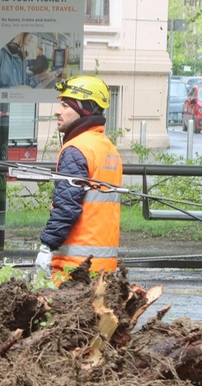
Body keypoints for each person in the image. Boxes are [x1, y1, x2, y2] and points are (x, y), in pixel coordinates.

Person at [35, 75, 122, 284]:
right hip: (104, 267)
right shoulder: (108, 148)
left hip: (74, 268)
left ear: (84, 109)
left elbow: (67, 206)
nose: (58, 110)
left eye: (65, 105)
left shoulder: (77, 149)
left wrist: (47, 247)